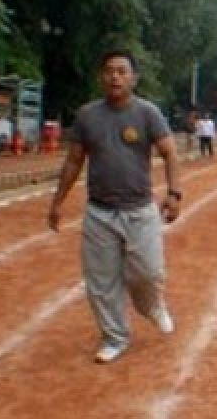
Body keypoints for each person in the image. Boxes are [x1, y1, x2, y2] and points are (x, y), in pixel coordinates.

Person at [47, 50, 181, 364]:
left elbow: (170, 154)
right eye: (109, 71)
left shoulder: (148, 114)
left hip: (139, 211)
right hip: (99, 212)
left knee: (147, 273)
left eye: (122, 71)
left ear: (134, 78)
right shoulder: (87, 116)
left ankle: (152, 306)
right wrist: (57, 202)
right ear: (101, 77)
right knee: (101, 281)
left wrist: (175, 194)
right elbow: (74, 161)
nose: (115, 77)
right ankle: (115, 336)